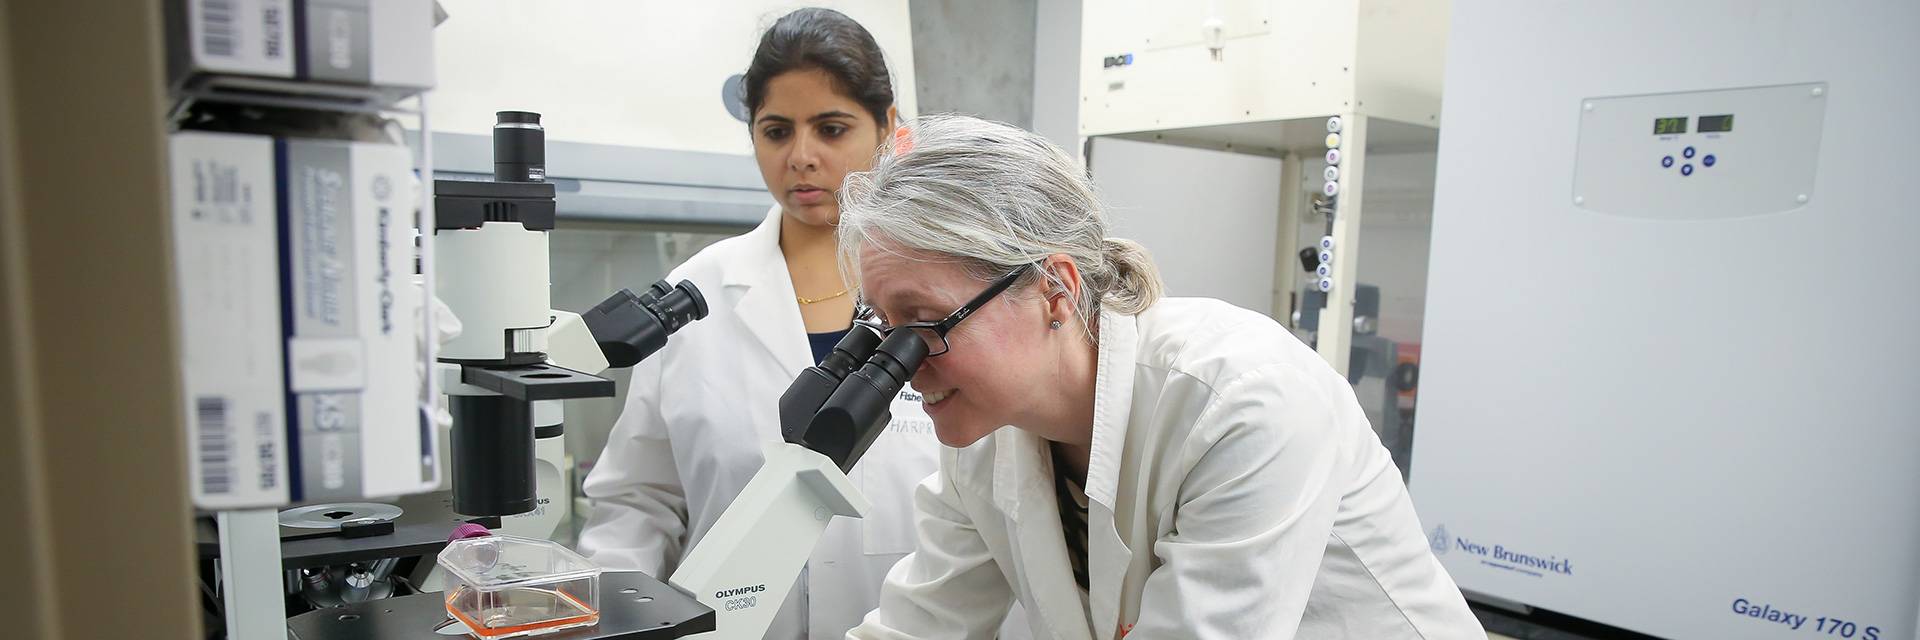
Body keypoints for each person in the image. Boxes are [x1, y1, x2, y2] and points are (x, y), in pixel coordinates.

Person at [837, 114, 1487, 639]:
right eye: (882, 324)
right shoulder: (984, 442)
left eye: (924, 321)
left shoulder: (1241, 396)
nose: (903, 366)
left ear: (1055, 291)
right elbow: (920, 626)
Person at [576, 9, 943, 639]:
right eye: (776, 131)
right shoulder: (702, 290)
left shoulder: (945, 290)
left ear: (887, 128)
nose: (802, 157)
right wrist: (619, 622)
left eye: (831, 128)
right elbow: (637, 501)